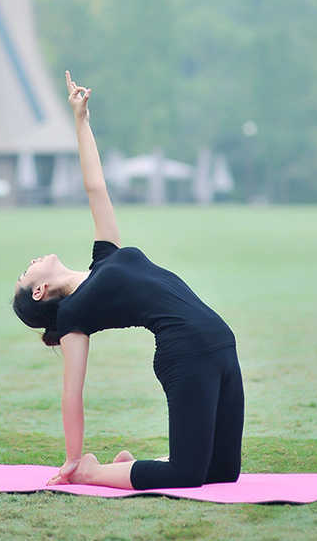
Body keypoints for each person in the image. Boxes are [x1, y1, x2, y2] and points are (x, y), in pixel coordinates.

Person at [12, 71, 244, 490]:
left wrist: (81, 121)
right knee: (187, 475)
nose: (29, 262)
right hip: (185, 351)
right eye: (24, 272)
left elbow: (95, 187)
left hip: (220, 342)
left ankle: (127, 465)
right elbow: (72, 394)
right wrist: (73, 459)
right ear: (39, 291)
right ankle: (95, 473)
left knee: (224, 473)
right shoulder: (72, 319)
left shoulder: (105, 258)